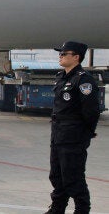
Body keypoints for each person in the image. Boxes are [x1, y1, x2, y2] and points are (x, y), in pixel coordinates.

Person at [45, 41, 100, 214]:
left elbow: (91, 111)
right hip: (58, 134)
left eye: (64, 54)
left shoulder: (84, 80)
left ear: (76, 57)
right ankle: (57, 208)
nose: (60, 56)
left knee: (73, 177)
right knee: (57, 175)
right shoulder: (62, 77)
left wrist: (85, 133)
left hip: (73, 136)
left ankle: (82, 210)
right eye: (59, 54)